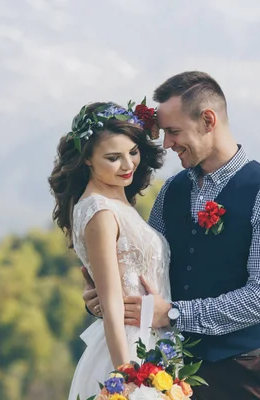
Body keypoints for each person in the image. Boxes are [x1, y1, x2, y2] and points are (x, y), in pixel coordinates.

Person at [83, 71, 260, 399]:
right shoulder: (172, 190)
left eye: (173, 131)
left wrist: (171, 314)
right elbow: (149, 272)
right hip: (173, 377)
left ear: (208, 120)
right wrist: (109, 298)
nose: (167, 143)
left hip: (246, 376)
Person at [48, 101, 169, 400]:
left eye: (132, 152)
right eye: (113, 158)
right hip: (130, 348)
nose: (128, 165)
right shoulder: (100, 211)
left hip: (156, 341)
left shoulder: (118, 201)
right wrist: (128, 377)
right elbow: (112, 303)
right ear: (87, 158)